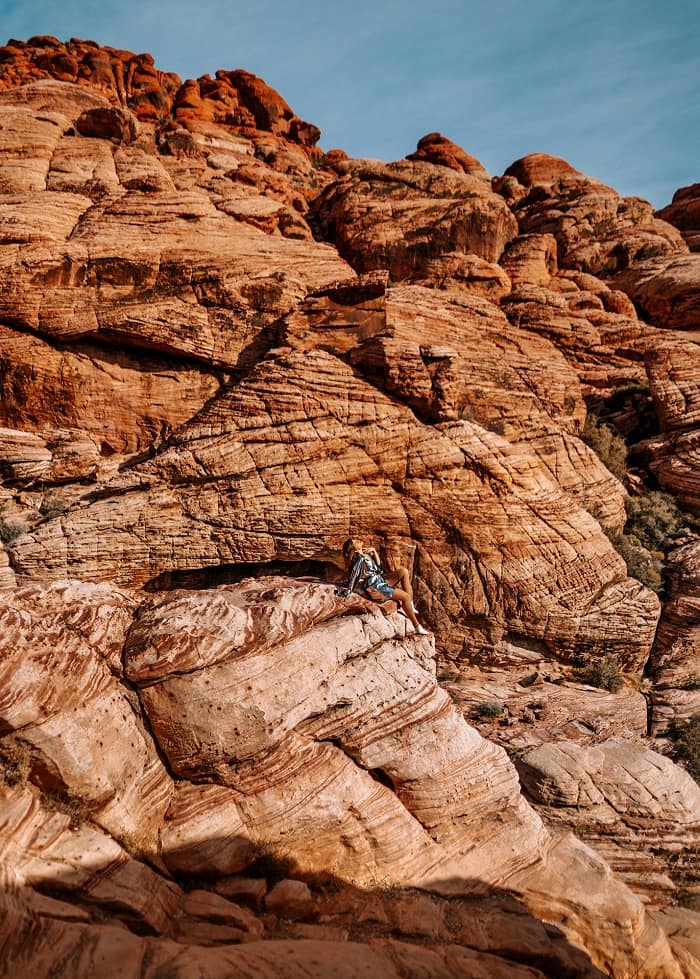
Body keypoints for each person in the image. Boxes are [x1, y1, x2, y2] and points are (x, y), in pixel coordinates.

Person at [338, 538, 429, 635]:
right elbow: (354, 576)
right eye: (356, 542)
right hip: (376, 587)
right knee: (405, 596)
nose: (359, 540)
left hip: (380, 580)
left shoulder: (366, 554)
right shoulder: (360, 561)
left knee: (404, 572)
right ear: (355, 549)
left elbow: (379, 569)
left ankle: (410, 604)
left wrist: (374, 551)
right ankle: (417, 626)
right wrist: (347, 590)